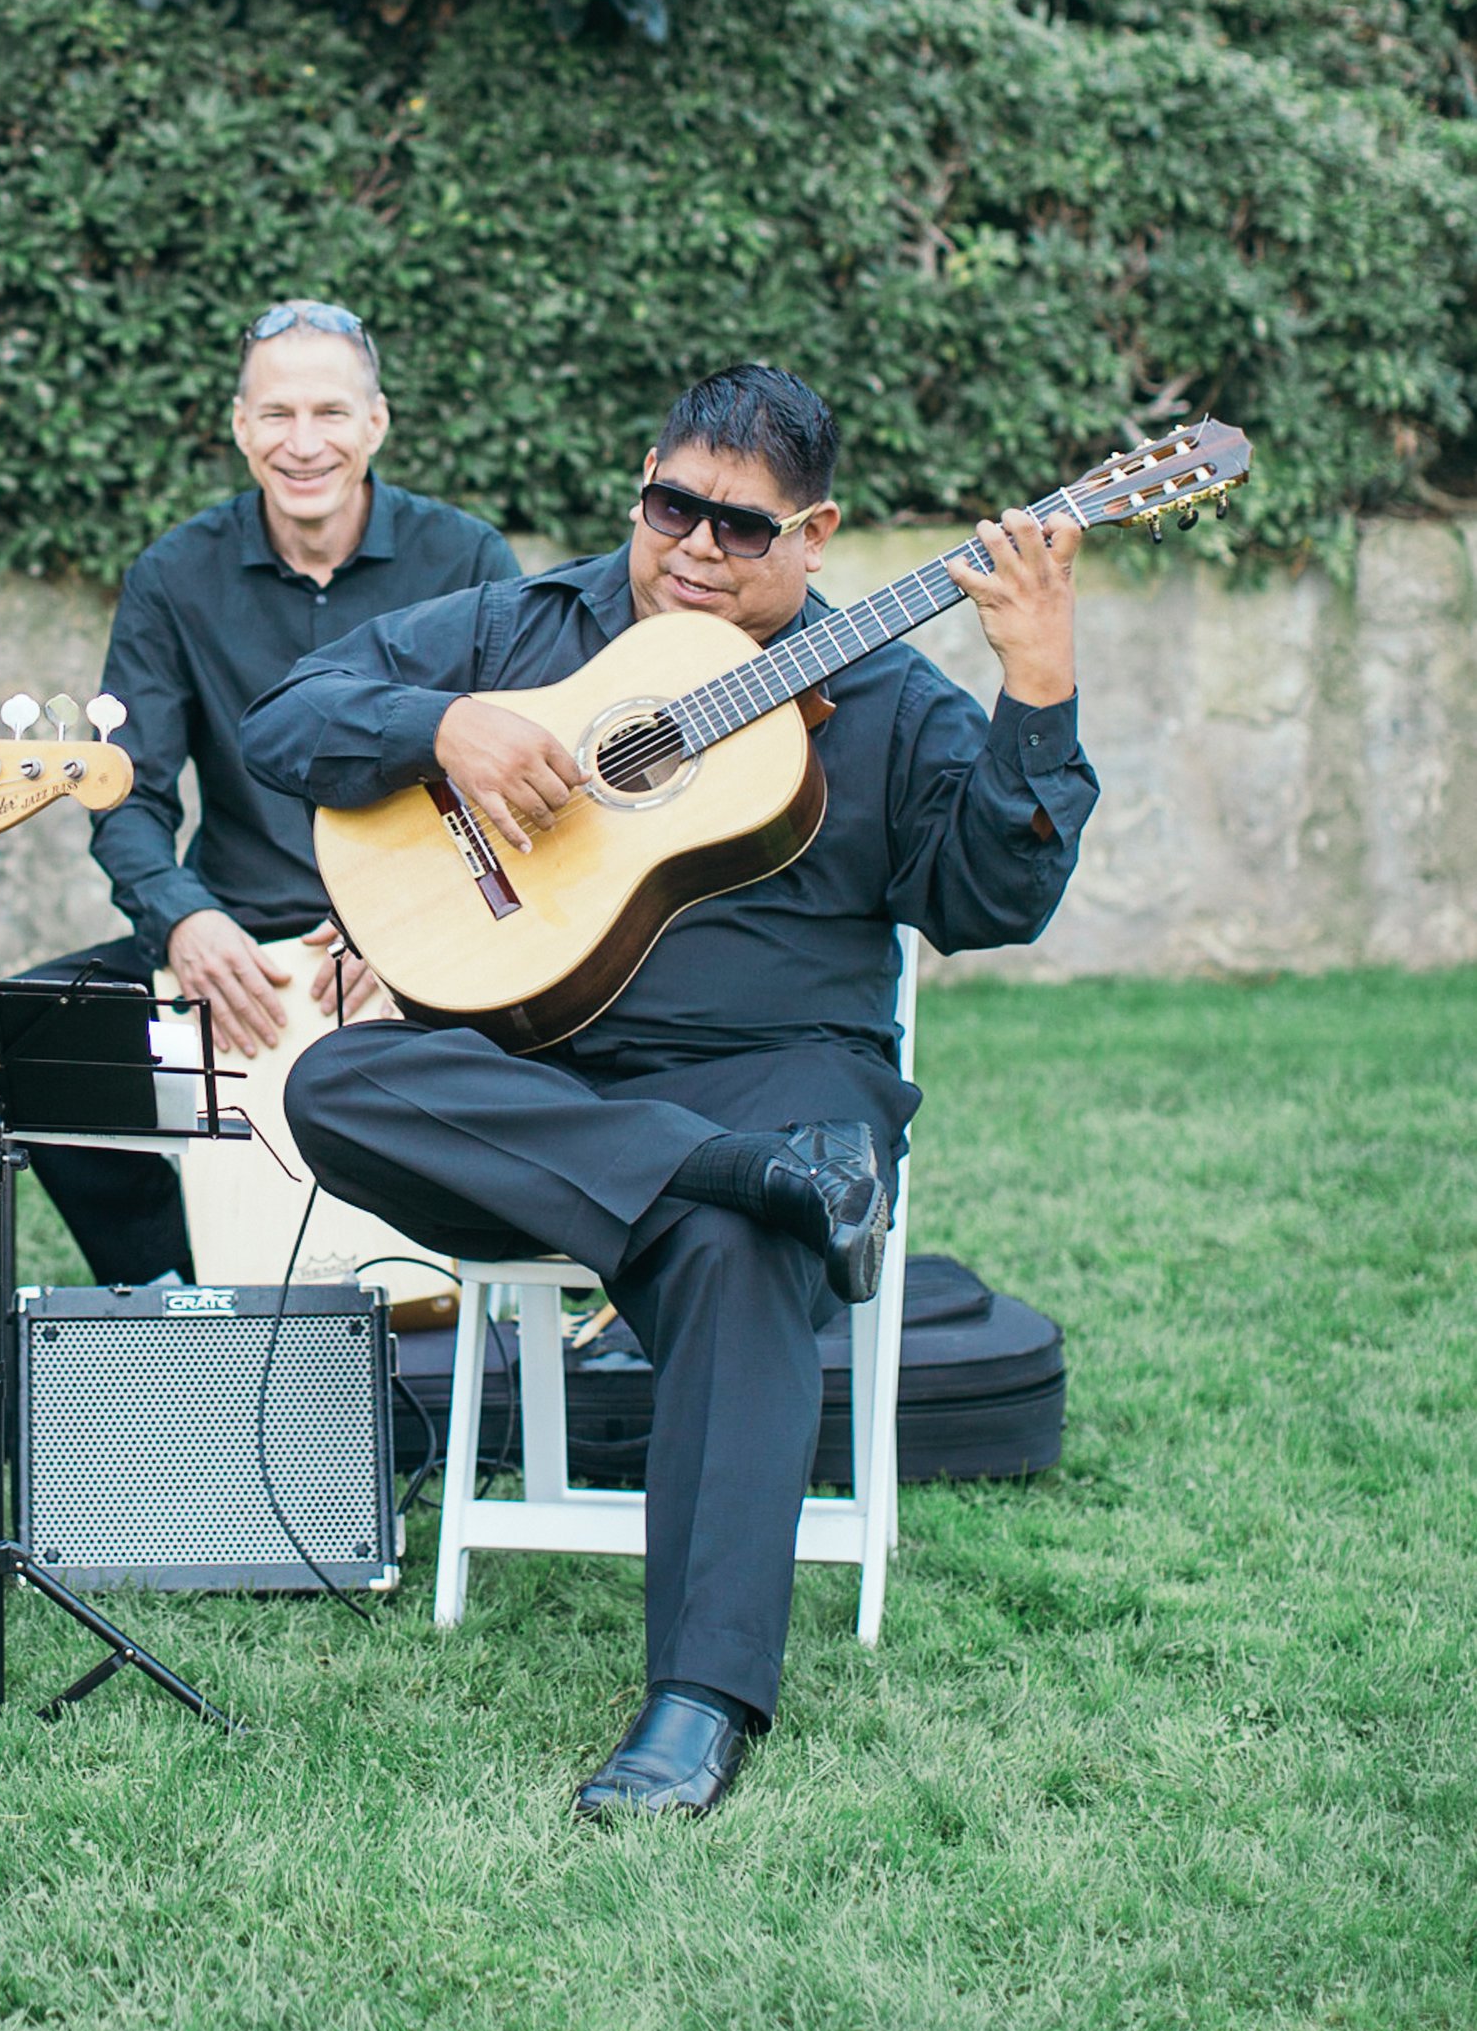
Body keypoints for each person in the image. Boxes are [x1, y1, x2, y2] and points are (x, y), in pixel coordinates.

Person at [245, 363, 1097, 1822]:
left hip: (780, 1073)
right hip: (542, 1069)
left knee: (744, 1238)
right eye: (671, 507)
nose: (696, 549)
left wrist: (1037, 689)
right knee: (332, 1080)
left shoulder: (884, 691)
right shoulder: (536, 627)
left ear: (816, 533)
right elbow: (288, 718)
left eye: (743, 529)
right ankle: (720, 1173)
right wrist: (439, 732)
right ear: (642, 481)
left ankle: (696, 1705)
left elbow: (990, 898)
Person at [25, 300, 522, 1286]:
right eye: (277, 414)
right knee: (35, 1037)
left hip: (420, 936)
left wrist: (405, 931)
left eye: (331, 413)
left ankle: (483, 1294)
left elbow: (517, 785)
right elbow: (124, 789)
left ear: (375, 422)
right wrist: (183, 922)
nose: (305, 444)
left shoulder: (468, 561)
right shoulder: (172, 575)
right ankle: (176, 1298)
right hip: (237, 932)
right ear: (241, 426)